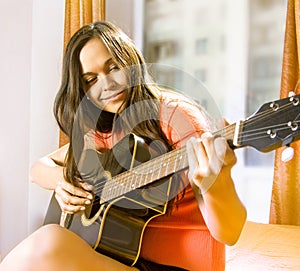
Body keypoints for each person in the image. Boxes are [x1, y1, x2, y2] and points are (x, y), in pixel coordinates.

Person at [0, 21, 246, 271]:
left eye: (113, 67)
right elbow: (37, 169)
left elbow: (231, 233)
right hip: (118, 259)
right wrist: (63, 180)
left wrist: (219, 182)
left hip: (179, 267)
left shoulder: (177, 117)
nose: (106, 84)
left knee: (50, 242)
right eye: (90, 79)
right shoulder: (104, 126)